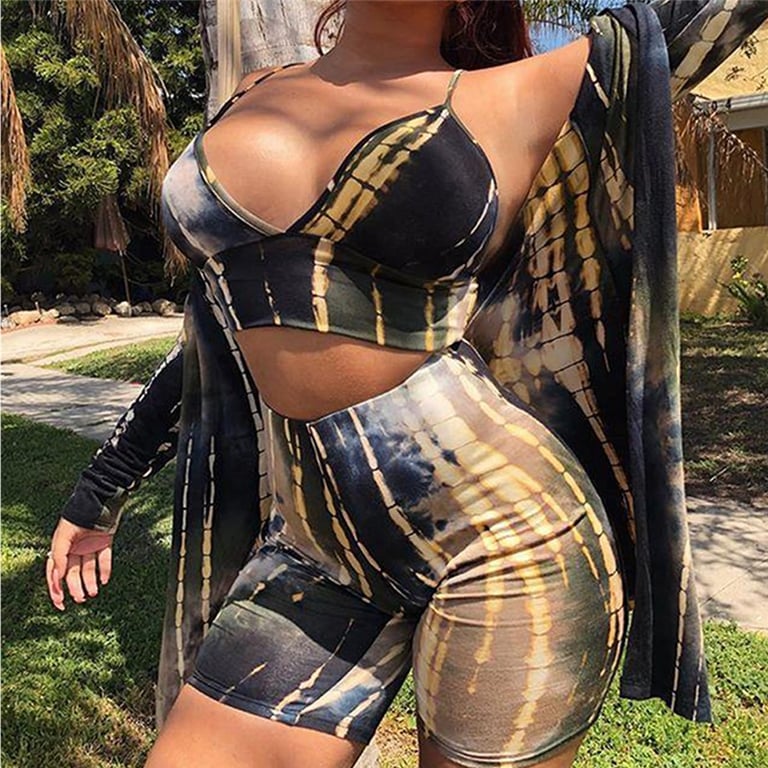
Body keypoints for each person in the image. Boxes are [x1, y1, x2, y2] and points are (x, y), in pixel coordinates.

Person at [45, 1, 768, 767]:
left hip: (512, 542)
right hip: (313, 546)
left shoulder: (529, 91)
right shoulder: (256, 90)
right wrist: (103, 489)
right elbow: (213, 329)